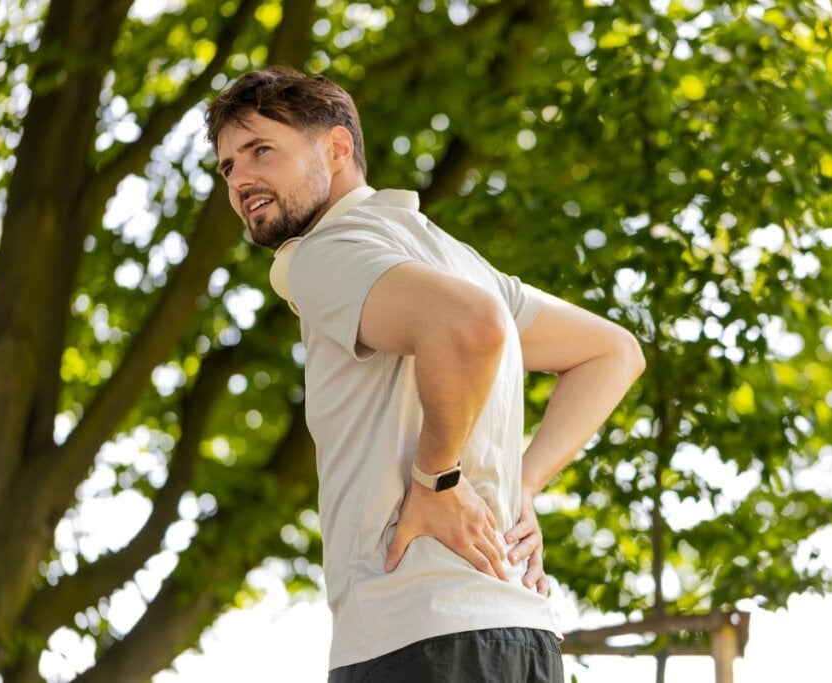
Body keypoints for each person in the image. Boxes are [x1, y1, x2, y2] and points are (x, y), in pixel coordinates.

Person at [205, 66, 645, 682]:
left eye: (261, 151)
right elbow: (613, 352)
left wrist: (437, 478)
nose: (242, 178)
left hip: (415, 635)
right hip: (523, 634)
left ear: (335, 149)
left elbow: (470, 324)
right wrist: (524, 485)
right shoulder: (451, 257)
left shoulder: (317, 254)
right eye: (228, 167)